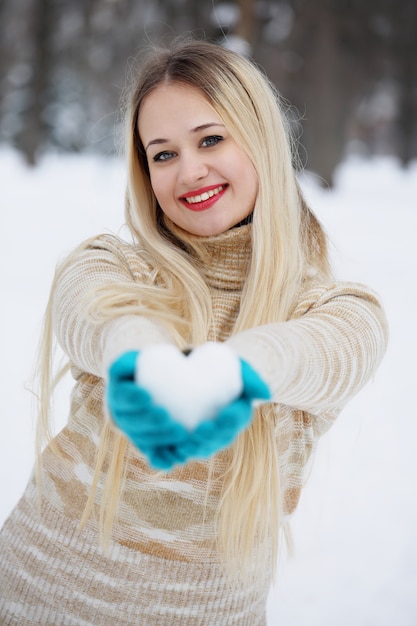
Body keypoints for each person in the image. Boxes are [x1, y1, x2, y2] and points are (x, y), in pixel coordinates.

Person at [0, 38, 388, 626]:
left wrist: (231, 372)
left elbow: (320, 351)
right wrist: (147, 364)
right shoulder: (112, 263)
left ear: (260, 138)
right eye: (162, 154)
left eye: (211, 139)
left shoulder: (336, 310)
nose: (189, 170)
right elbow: (99, 317)